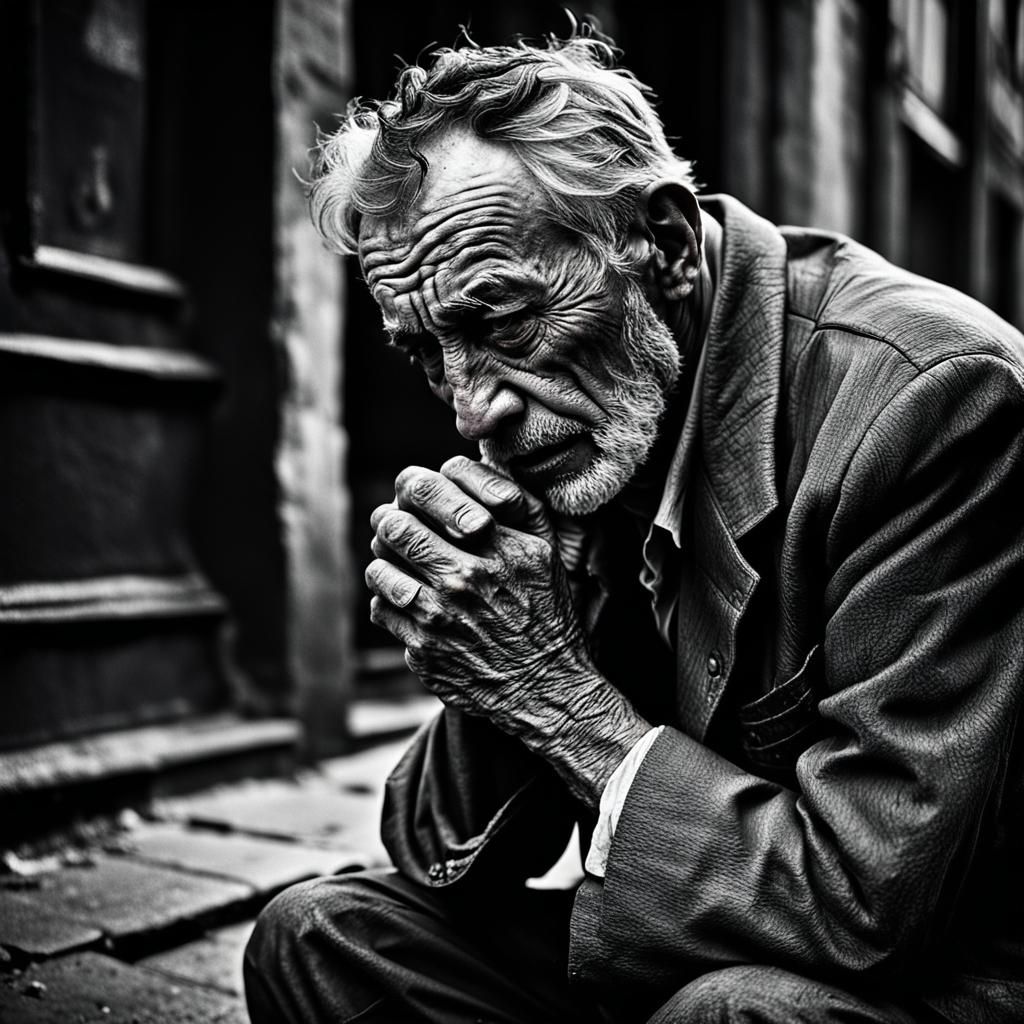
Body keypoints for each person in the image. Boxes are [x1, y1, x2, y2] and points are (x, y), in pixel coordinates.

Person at [244, 25, 1024, 1024]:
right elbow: (437, 861)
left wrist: (556, 695)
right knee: (317, 936)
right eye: (427, 353)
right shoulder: (596, 422)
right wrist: (491, 651)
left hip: (929, 980)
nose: (471, 406)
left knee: (730, 1015)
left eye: (502, 322)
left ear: (660, 245)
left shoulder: (929, 402)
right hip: (691, 945)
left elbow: (869, 907)